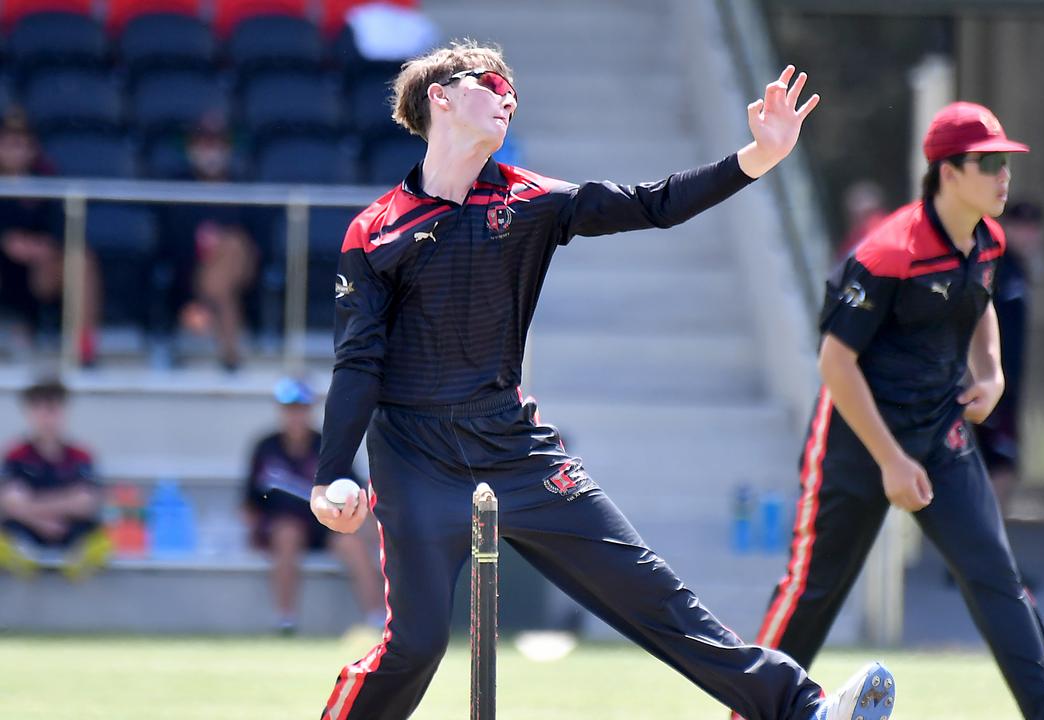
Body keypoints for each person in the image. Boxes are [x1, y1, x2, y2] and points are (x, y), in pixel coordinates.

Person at [308, 40, 894, 720]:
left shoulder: (532, 199)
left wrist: (755, 158)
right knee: (414, 648)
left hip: (516, 450)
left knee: (653, 594)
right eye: (492, 82)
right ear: (439, 96)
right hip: (414, 459)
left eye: (513, 91)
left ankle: (805, 709)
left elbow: (654, 204)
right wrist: (331, 474)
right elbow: (358, 362)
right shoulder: (375, 231)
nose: (508, 95)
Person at [737, 103, 1044, 720]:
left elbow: (978, 302)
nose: (1004, 177)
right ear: (947, 173)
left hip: (938, 433)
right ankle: (749, 712)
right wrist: (892, 463)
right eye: (989, 165)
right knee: (813, 591)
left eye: (1005, 164)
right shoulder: (888, 253)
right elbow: (835, 364)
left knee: (994, 571)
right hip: (855, 440)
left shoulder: (987, 239)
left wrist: (991, 370)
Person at [244, 378, 383, 636]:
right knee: (287, 534)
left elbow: (355, 492)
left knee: (353, 544)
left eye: (301, 408)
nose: (295, 415)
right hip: (283, 525)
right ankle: (285, 620)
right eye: (290, 408)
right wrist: (253, 533)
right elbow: (250, 501)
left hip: (327, 524)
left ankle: (377, 619)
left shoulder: (327, 445)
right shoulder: (266, 447)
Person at [159, 114, 260, 371]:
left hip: (242, 269)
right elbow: (169, 240)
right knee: (220, 282)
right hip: (193, 271)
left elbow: (259, 240)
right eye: (204, 143)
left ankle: (208, 315)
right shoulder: (176, 186)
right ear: (191, 147)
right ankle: (230, 352)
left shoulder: (243, 185)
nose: (210, 151)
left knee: (234, 243)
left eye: (217, 143)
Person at [0, 109, 101, 365]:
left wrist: (42, 246)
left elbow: (64, 229)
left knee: (82, 260)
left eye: (22, 144)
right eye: (8, 143)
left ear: (33, 148)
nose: (15, 151)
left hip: (40, 274)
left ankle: (83, 349)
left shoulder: (48, 183)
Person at [0, 379, 111, 579]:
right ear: (29, 413)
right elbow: (10, 503)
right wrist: (44, 519)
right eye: (39, 410)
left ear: (63, 412)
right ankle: (24, 556)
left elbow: (85, 503)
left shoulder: (81, 455)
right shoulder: (16, 454)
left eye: (52, 409)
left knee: (101, 536)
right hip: (27, 528)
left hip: (70, 529)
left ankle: (76, 560)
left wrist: (33, 506)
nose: (46, 418)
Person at [973, 200, 1041, 514]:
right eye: (1023, 228)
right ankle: (984, 554)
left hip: (1007, 385)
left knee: (998, 464)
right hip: (993, 382)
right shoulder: (997, 266)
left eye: (1034, 230)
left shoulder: (1018, 269)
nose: (1030, 237)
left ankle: (982, 555)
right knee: (1000, 464)